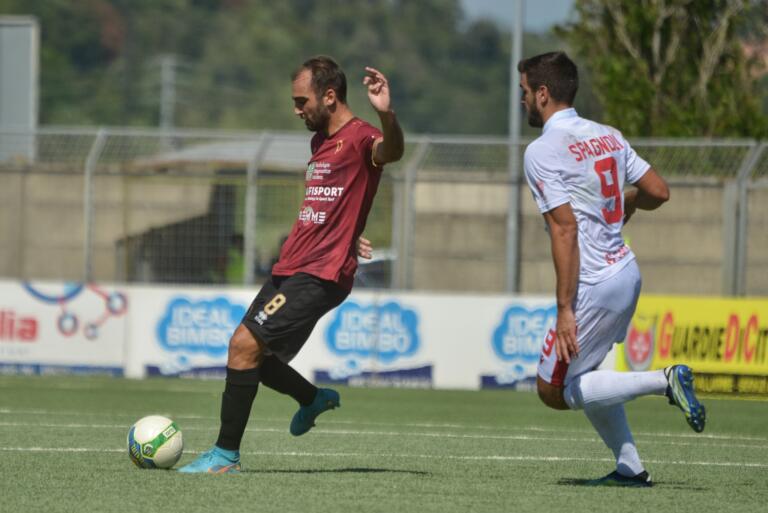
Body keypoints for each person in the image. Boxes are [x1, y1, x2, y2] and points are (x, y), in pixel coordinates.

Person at [179, 55, 404, 473]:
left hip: (321, 273)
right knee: (255, 357)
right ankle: (312, 399)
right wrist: (349, 231)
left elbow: (390, 151)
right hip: (292, 265)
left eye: (302, 101)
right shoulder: (319, 142)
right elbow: (334, 202)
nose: (297, 110)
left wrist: (386, 114)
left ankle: (225, 456)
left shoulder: (362, 137)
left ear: (330, 96)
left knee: (243, 345)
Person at [518, 52, 705, 487]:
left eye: (524, 91)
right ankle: (630, 467)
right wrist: (625, 203)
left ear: (543, 94)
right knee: (585, 377)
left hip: (593, 285)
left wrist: (565, 309)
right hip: (625, 272)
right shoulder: (608, 135)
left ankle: (664, 381)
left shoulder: (542, 150)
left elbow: (564, 230)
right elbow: (658, 190)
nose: (521, 100)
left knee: (553, 391)